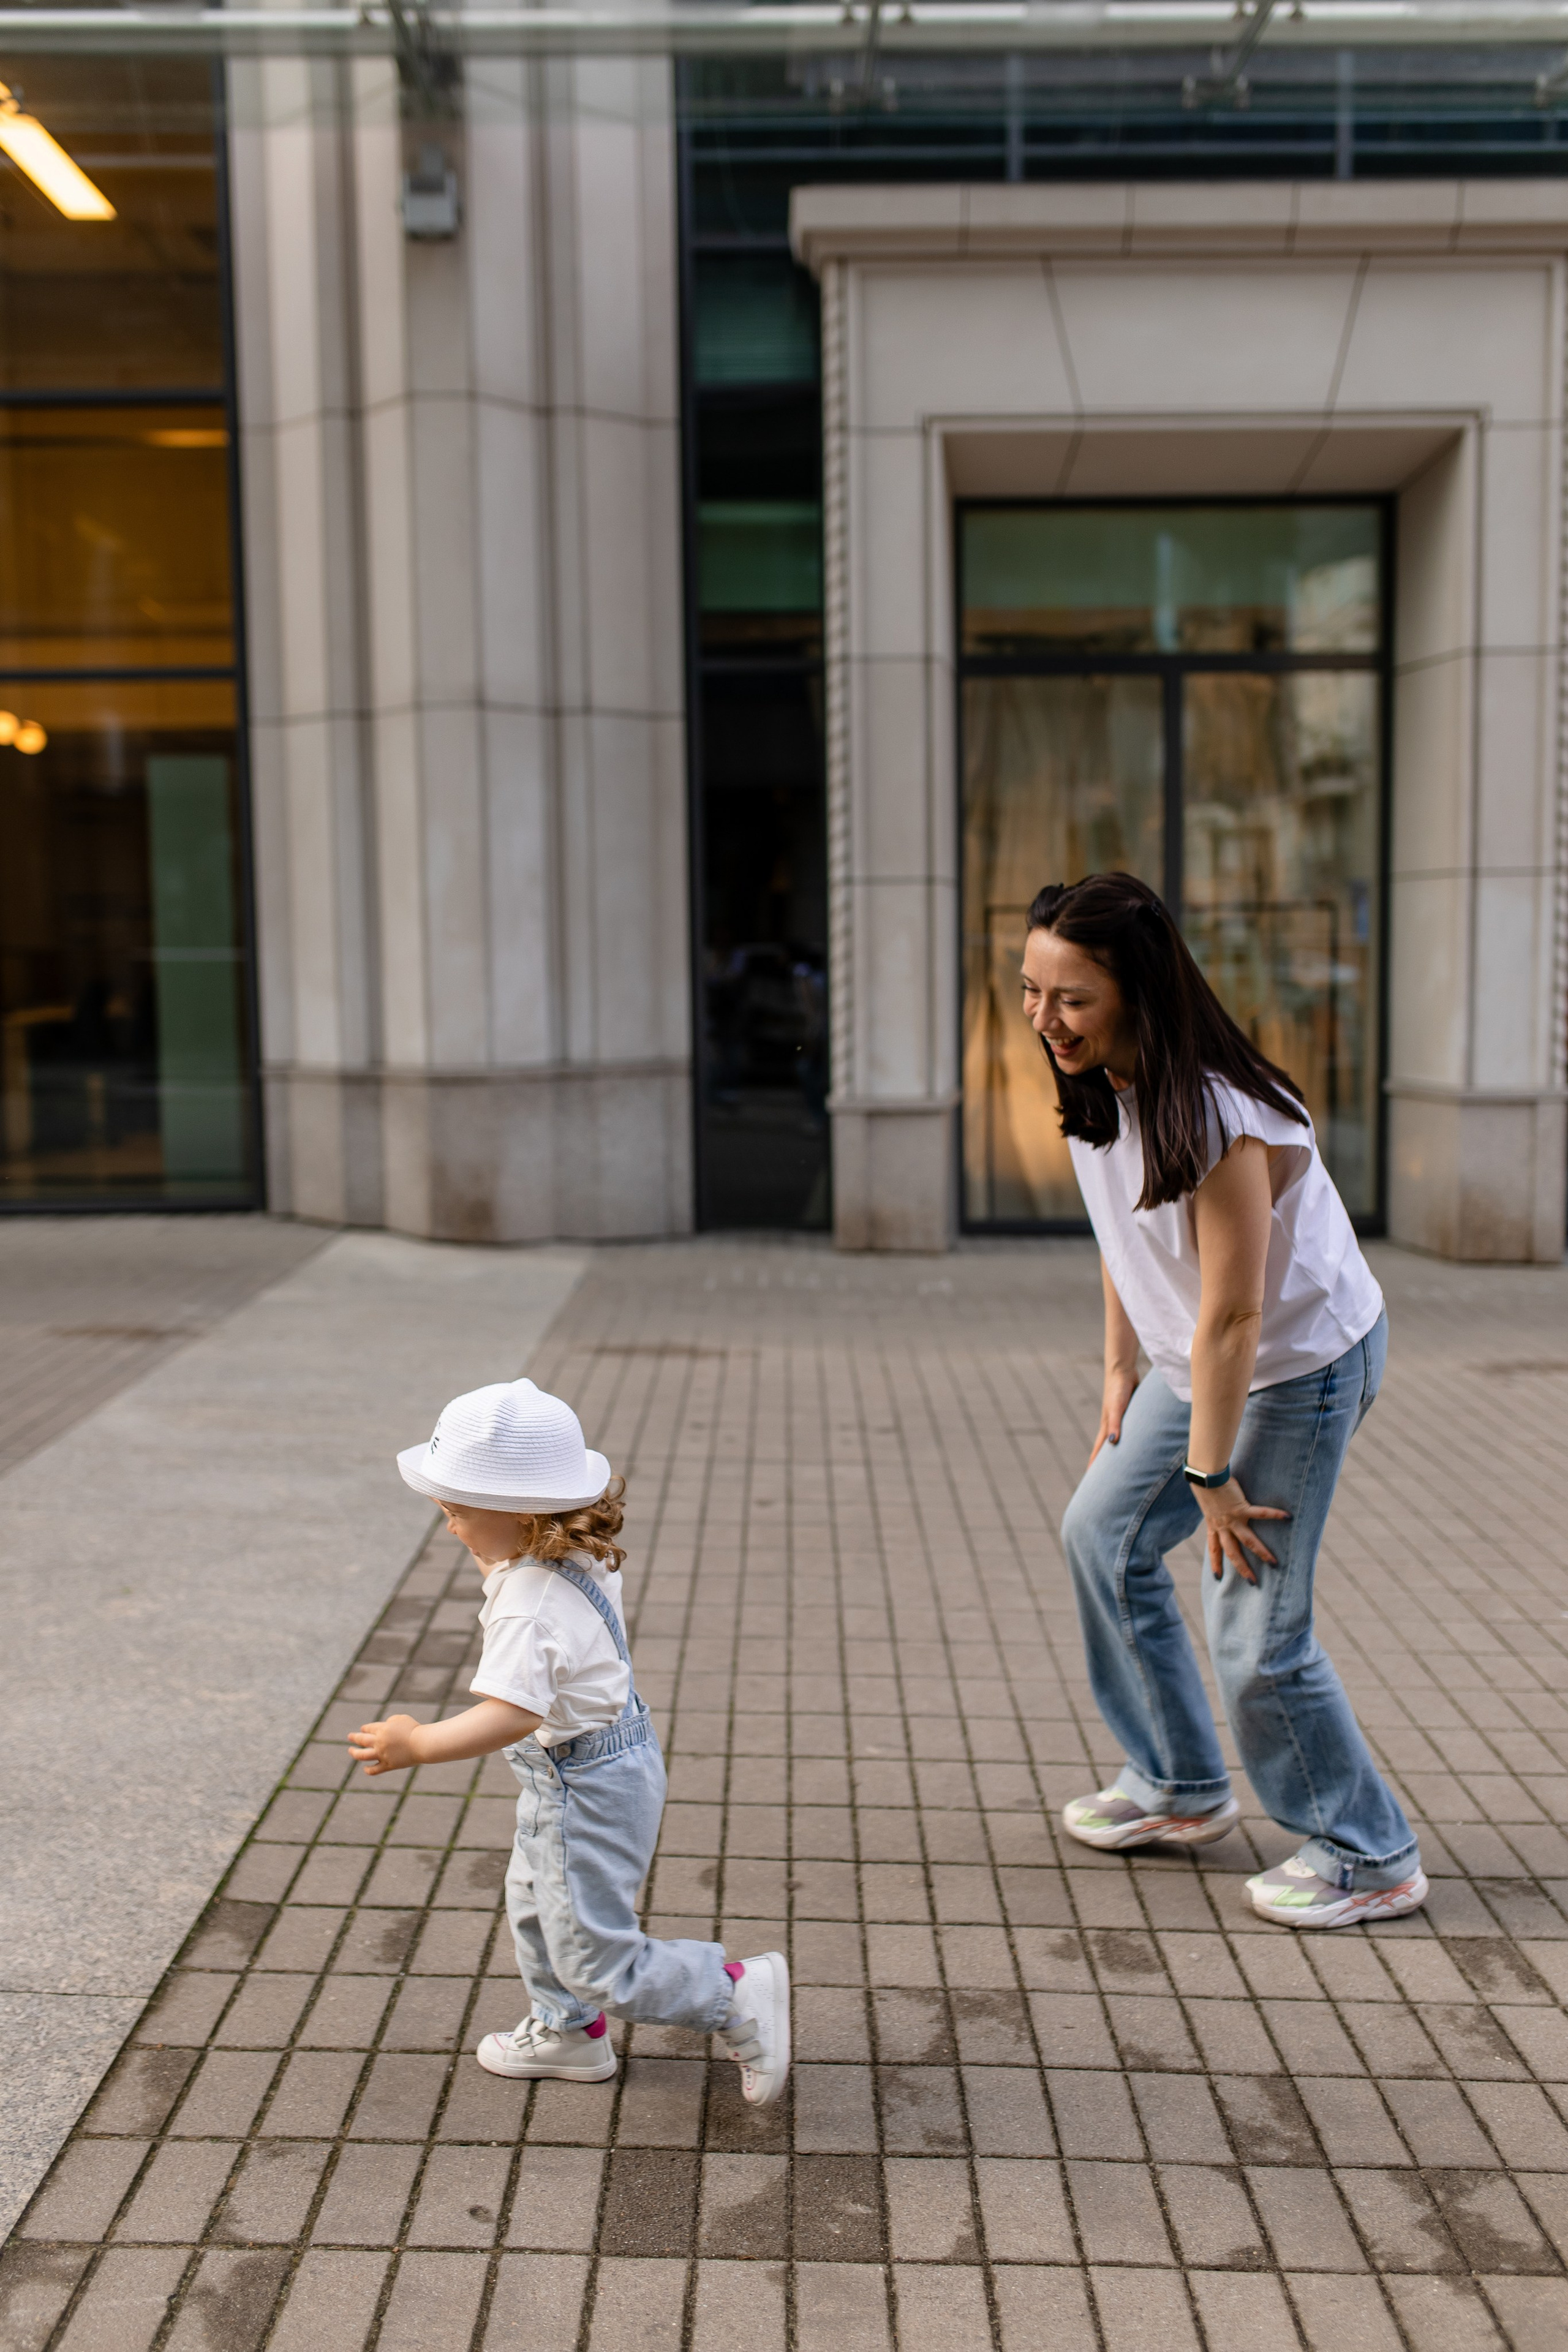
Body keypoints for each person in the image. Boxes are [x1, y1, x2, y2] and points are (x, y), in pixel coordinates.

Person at [1023, 873, 1424, 1929]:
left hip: (1300, 1365)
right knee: (1100, 1534)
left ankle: (1367, 1850)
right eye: (1032, 991)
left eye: (1072, 997)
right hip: (1192, 1358)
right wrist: (1118, 1368)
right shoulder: (1097, 1083)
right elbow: (1127, 1235)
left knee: (1253, 1622)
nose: (1045, 1018)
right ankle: (1179, 1785)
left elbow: (1238, 1316)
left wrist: (1208, 1476)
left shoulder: (1219, 1113)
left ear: (1137, 991)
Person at [349, 1377, 790, 2100]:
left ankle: (733, 1992)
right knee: (537, 1904)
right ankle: (567, 2034)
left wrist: (416, 1743)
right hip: (602, 1759)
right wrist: (491, 1541)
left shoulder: (530, 1605)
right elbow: (514, 1580)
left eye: (456, 1513)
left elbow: (512, 1715)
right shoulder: (562, 1555)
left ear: (519, 1516)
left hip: (583, 1783)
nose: (449, 1527)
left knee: (595, 1958)